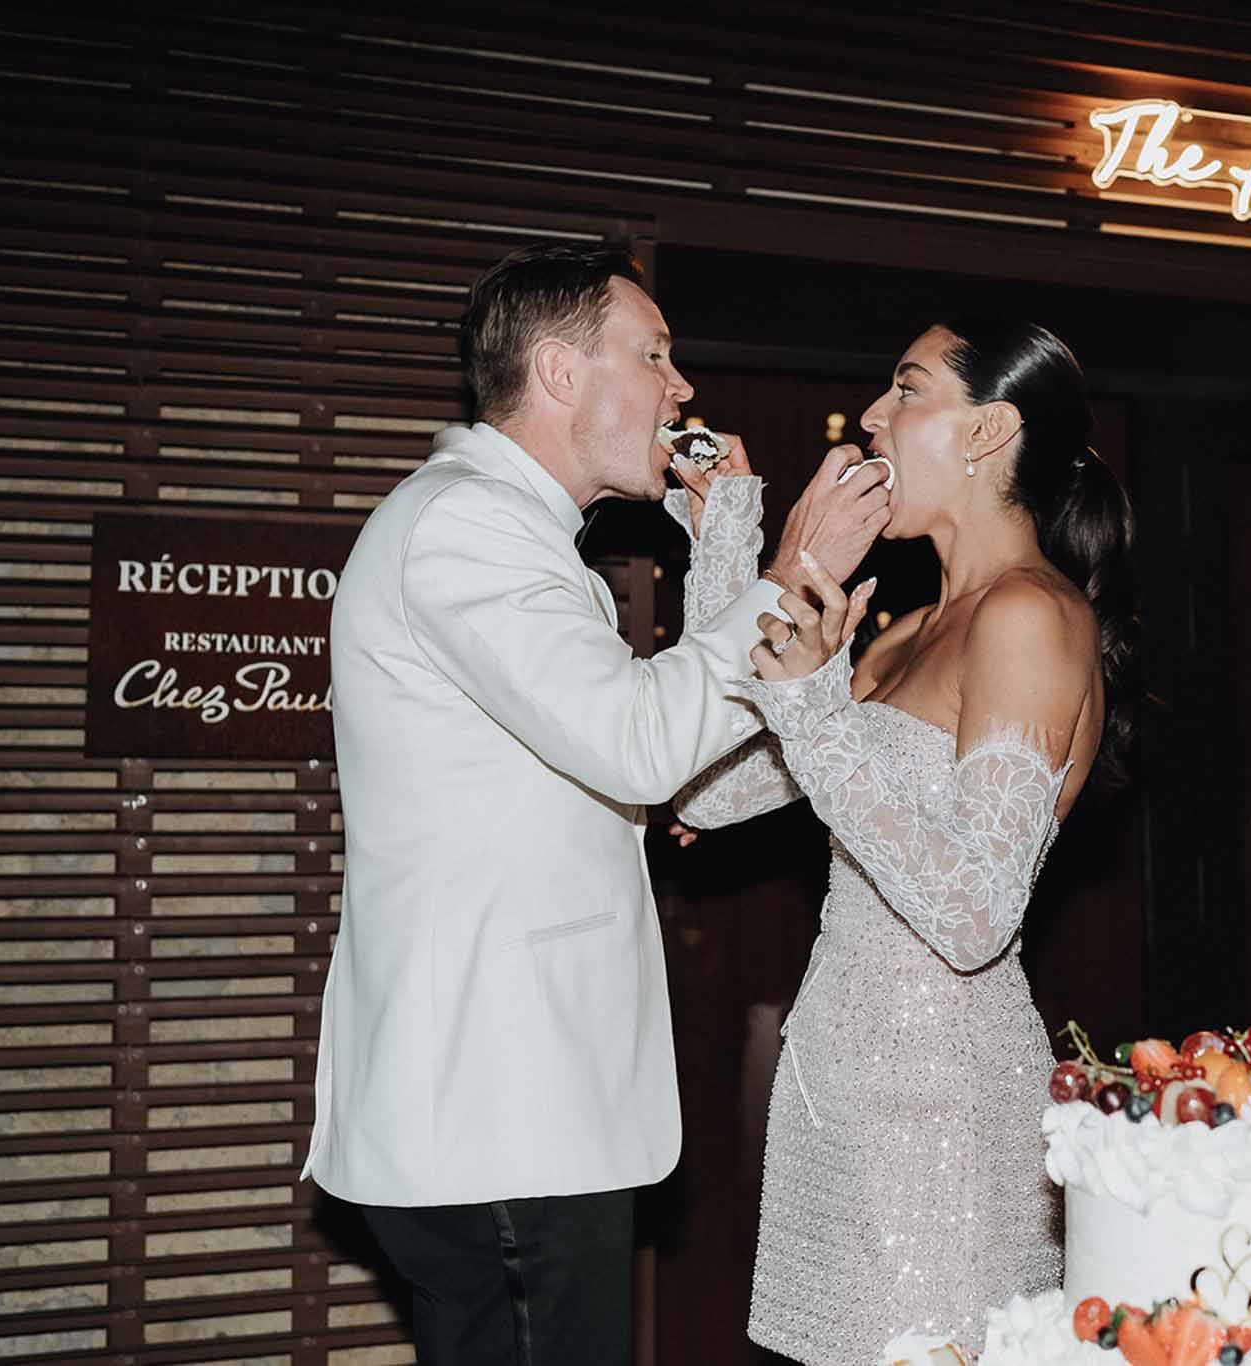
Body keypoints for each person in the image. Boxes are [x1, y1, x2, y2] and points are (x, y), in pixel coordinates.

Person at [303, 242, 889, 1365]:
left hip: (519, 1104)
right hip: (500, 1110)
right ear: (563, 374)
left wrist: (727, 543)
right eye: (654, 355)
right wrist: (791, 567)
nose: (680, 389)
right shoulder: (465, 526)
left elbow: (647, 758)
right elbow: (634, 738)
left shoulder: (515, 534)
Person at [666, 320, 1138, 1362]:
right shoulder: (901, 630)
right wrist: (730, 544)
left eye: (905, 390)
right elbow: (705, 788)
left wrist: (815, 714)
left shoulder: (1029, 617)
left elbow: (972, 916)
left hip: (941, 1109)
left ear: (987, 431)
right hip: (838, 1090)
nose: (872, 417)